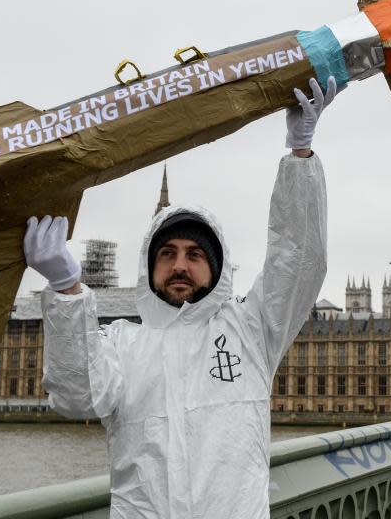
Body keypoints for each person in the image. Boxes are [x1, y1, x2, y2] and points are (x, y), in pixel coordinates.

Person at [25, 77, 338, 518]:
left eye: (194, 255)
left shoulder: (251, 331)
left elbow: (298, 258)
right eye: (167, 254)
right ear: (149, 268)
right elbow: (76, 397)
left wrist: (300, 156)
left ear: (215, 267)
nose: (180, 266)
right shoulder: (122, 344)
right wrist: (66, 289)